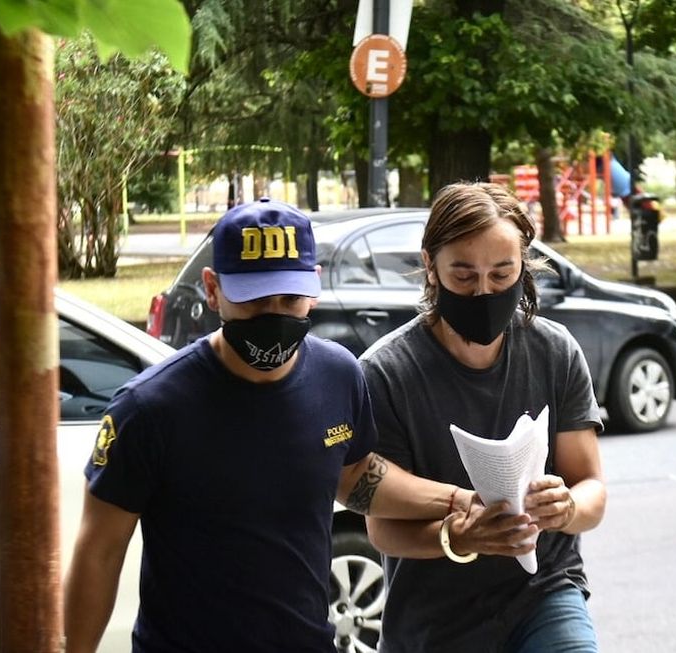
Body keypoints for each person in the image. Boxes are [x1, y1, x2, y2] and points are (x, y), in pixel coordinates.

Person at [63, 198, 474, 653]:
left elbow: (353, 476)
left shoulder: (337, 375)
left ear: (314, 287)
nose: (273, 315)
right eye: (254, 299)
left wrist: (458, 501)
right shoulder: (149, 409)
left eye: (289, 298)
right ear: (213, 290)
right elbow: (99, 551)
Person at [360, 182, 607, 652]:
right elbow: (383, 528)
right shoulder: (386, 373)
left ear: (523, 264)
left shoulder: (555, 351)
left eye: (501, 274)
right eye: (464, 276)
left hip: (544, 592)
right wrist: (459, 535)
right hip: (435, 620)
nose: (484, 291)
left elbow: (591, 487)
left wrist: (566, 508)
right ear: (430, 267)